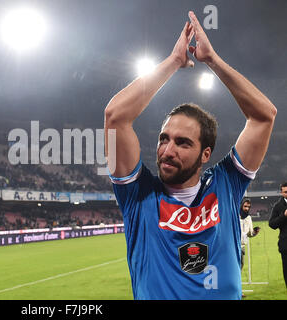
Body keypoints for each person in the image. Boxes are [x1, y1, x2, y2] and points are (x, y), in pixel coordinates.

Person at [104, 11, 277, 300]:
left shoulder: (227, 184)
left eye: (183, 143)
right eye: (163, 139)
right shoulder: (136, 194)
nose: (167, 151)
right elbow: (114, 117)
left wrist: (212, 60)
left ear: (205, 153)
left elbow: (264, 116)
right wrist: (173, 62)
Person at [268, 182, 287, 288]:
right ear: (281, 192)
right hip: (285, 245)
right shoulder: (278, 206)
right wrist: (283, 216)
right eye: (285, 192)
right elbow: (272, 224)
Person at [240, 198, 260, 271]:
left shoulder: (248, 218)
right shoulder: (235, 216)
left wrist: (255, 232)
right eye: (245, 206)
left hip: (242, 247)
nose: (247, 208)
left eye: (248, 207)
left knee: (240, 267)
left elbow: (250, 234)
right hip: (232, 246)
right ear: (241, 205)